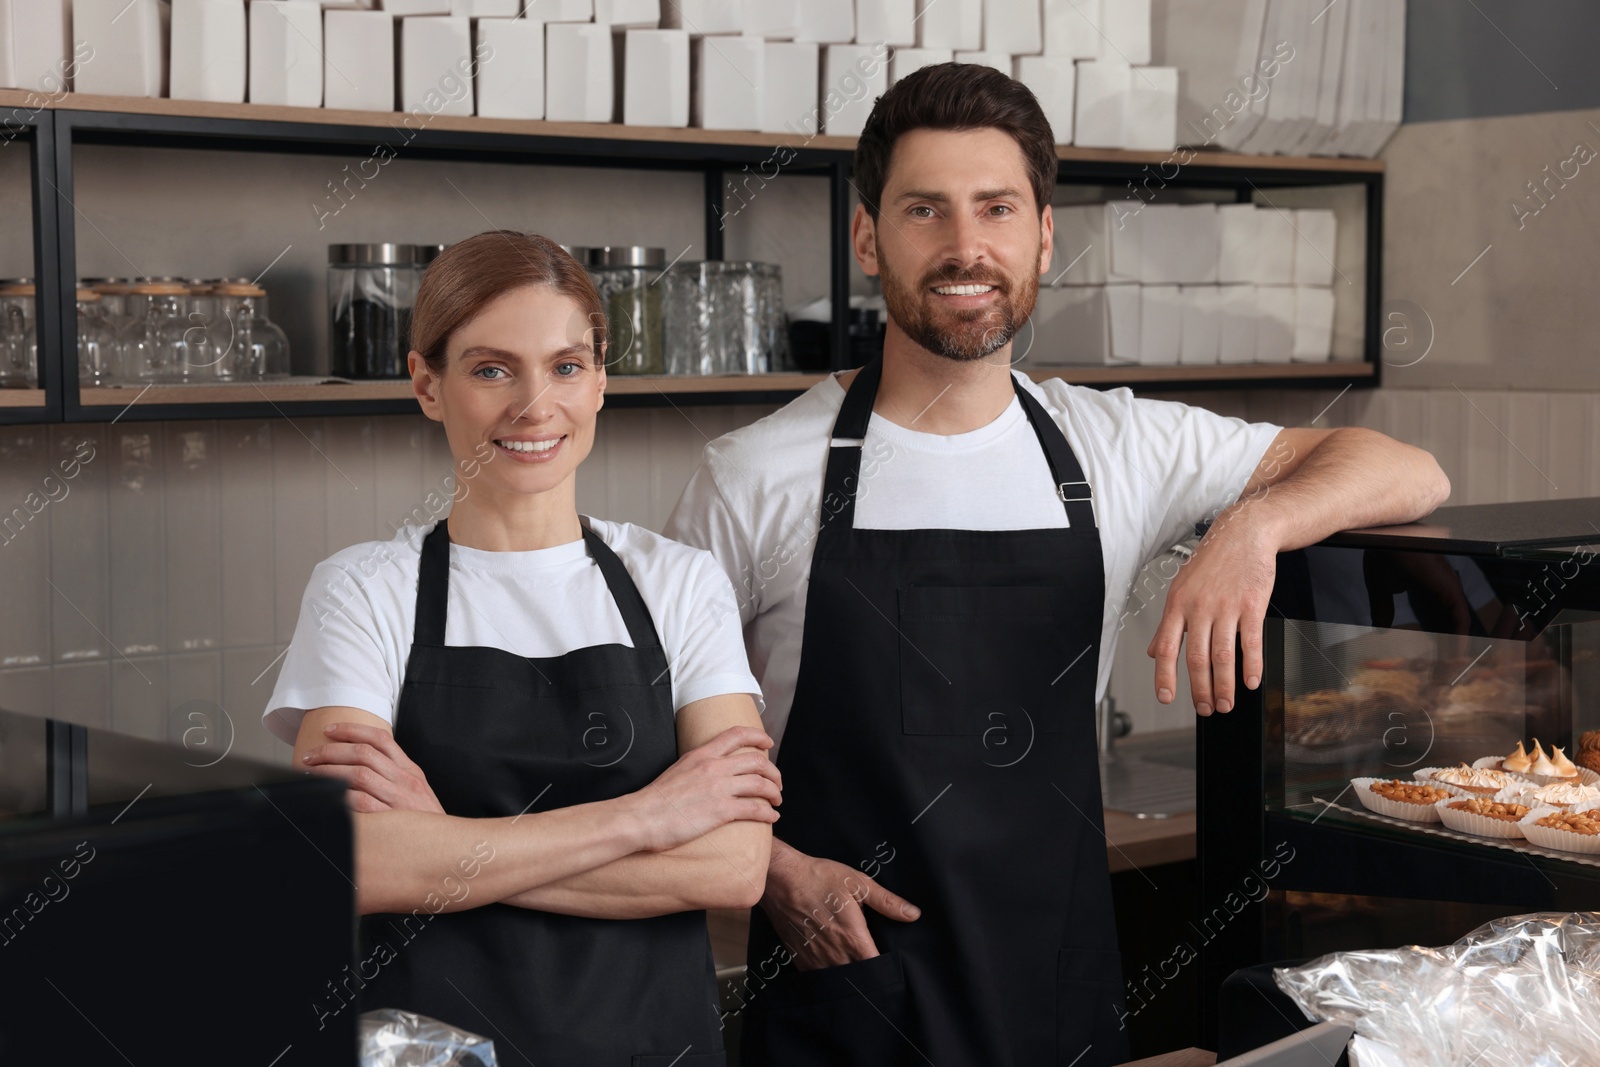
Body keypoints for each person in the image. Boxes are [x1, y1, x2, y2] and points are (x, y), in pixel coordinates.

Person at [664, 64, 1450, 1067]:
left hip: (1056, 1000)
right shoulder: (752, 474)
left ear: (1042, 233)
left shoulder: (1110, 445)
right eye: (924, 210)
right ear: (868, 237)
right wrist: (772, 871)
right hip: (846, 1006)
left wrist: (1249, 529)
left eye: (996, 208)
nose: (964, 246)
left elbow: (1404, 468)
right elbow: (655, 738)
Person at [262, 231, 779, 1066]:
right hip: (437, 1050)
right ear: (428, 385)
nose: (535, 405)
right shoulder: (364, 590)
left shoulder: (679, 583)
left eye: (567, 366)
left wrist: (444, 842)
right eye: (492, 368)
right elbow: (355, 863)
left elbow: (731, 867)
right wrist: (644, 818)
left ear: (601, 380)